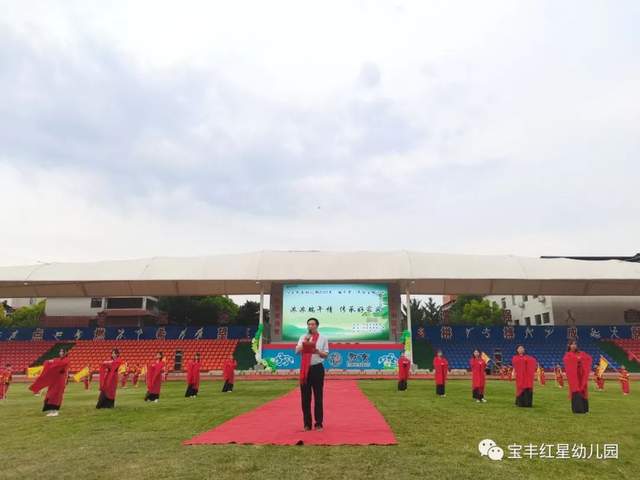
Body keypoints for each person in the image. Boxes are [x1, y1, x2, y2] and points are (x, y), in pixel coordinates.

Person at [295, 317, 329, 431]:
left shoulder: (323, 338)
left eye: (313, 324)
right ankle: (307, 424)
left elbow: (326, 354)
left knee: (318, 397)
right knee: (305, 398)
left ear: (317, 326)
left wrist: (317, 351)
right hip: (305, 369)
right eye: (309, 324)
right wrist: (305, 343)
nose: (311, 326)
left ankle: (318, 423)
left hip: (317, 369)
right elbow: (297, 351)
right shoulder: (303, 337)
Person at [29, 348, 70, 416]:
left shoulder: (67, 360)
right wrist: (49, 361)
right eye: (60, 351)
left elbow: (59, 363)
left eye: (61, 351)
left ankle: (55, 411)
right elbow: (52, 362)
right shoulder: (58, 359)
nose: (60, 353)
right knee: (50, 395)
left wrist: (52, 361)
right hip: (54, 380)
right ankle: (52, 411)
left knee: (56, 395)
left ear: (65, 353)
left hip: (60, 381)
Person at [563, 340, 592, 414]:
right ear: (569, 346)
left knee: (583, 390)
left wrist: (579, 359)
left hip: (581, 375)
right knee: (575, 390)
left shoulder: (581, 353)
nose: (574, 345)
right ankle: (578, 410)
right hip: (574, 376)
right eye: (572, 344)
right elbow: (567, 361)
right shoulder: (568, 354)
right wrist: (578, 359)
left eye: (575, 344)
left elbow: (588, 358)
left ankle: (585, 409)